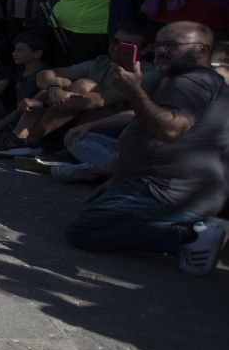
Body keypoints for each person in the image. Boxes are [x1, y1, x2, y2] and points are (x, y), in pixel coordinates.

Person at [64, 21, 228, 274]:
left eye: (172, 45)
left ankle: (187, 239)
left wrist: (134, 92)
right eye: (159, 45)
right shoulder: (187, 81)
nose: (162, 51)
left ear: (202, 49)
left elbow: (170, 130)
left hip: (167, 192)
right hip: (156, 184)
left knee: (85, 229)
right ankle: (188, 226)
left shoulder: (194, 82)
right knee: (99, 215)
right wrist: (119, 176)